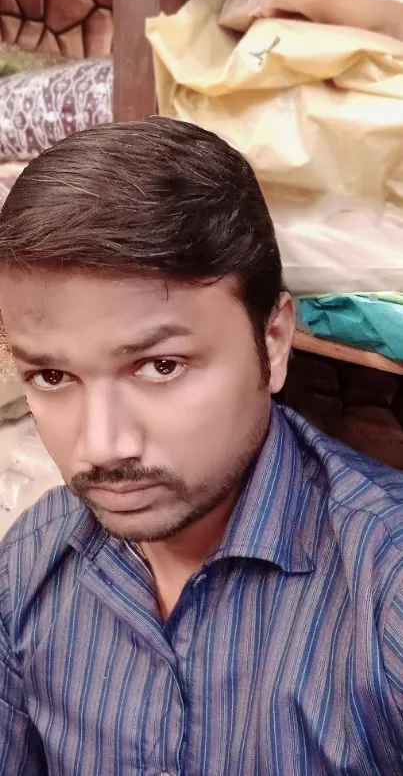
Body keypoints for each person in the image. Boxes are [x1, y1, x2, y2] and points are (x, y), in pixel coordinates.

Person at [0, 117, 402, 776]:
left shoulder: (383, 592)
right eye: (53, 376)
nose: (101, 445)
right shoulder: (32, 563)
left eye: (159, 366)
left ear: (270, 342)